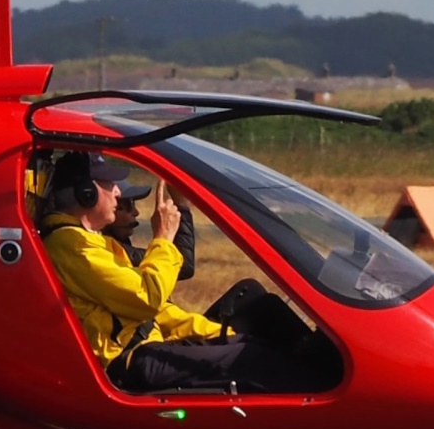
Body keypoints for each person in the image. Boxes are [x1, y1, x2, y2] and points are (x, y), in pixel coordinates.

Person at [41, 151, 334, 395]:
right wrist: (162, 238)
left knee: (257, 320)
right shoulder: (73, 245)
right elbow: (147, 298)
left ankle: (327, 366)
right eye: (109, 184)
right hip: (130, 361)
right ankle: (327, 392)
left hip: (147, 344)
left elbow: (165, 294)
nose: (118, 192)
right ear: (86, 193)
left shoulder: (92, 241)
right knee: (254, 357)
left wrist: (217, 334)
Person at [105, 181, 194, 280]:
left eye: (133, 203)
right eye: (126, 205)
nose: (136, 212)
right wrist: (181, 207)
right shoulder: (108, 252)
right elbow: (182, 266)